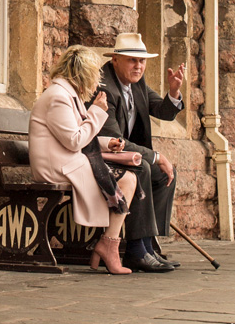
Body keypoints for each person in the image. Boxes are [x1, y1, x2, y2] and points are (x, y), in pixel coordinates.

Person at [29, 45, 137, 275]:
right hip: (56, 166)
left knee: (128, 177)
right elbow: (74, 140)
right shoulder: (59, 97)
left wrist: (107, 143)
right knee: (127, 180)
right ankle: (108, 244)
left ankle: (108, 243)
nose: (96, 82)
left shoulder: (67, 94)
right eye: (93, 76)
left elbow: (77, 135)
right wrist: (96, 112)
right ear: (83, 74)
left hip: (65, 160)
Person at [99, 33, 185, 273]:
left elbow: (163, 111)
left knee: (164, 174)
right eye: (131, 60)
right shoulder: (104, 86)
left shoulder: (136, 82)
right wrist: (156, 156)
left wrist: (174, 92)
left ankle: (150, 245)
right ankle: (137, 250)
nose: (138, 66)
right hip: (100, 155)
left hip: (125, 154)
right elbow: (114, 139)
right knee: (144, 167)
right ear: (115, 59)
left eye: (142, 61)